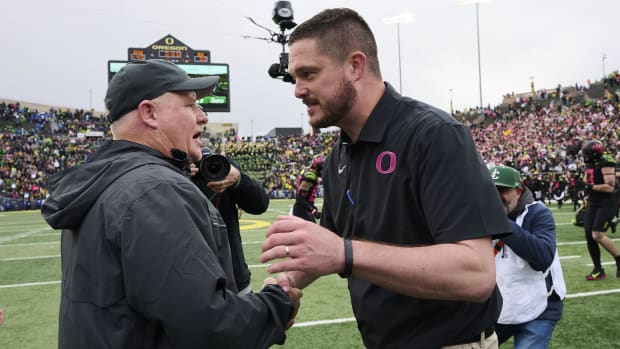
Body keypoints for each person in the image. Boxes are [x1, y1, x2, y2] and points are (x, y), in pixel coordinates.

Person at [260, 8, 512, 349]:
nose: (298, 90)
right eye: (295, 77)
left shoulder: (434, 134)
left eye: (309, 74)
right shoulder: (339, 154)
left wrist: (345, 254)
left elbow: (476, 273)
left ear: (355, 65)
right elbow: (330, 244)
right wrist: (283, 285)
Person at [41, 59, 301, 348]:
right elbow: (211, 328)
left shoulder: (108, 180)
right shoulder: (154, 190)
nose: (202, 116)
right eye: (190, 105)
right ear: (149, 113)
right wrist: (277, 303)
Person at [488, 165, 566, 349]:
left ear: (518, 191)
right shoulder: (482, 214)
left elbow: (543, 257)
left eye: (503, 190)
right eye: (491, 191)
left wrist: (501, 223)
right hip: (503, 305)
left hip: (541, 305)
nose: (496, 197)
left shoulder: (538, 213)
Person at [190, 147, 269, 294]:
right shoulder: (171, 171)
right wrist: (176, 174)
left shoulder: (223, 169)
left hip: (234, 276)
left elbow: (260, 204)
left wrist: (238, 180)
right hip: (192, 280)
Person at [581, 140, 620, 280]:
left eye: (587, 154)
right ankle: (598, 269)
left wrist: (591, 187)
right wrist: (587, 191)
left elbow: (610, 187)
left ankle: (618, 259)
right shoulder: (591, 163)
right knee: (588, 234)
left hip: (606, 202)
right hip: (593, 201)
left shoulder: (606, 163)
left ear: (594, 154)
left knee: (597, 234)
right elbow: (588, 179)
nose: (585, 157)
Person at [292, 154, 325, 222]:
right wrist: (312, 209)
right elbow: (300, 198)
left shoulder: (307, 171)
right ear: (318, 168)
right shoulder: (310, 177)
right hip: (302, 211)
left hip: (303, 209)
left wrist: (313, 207)